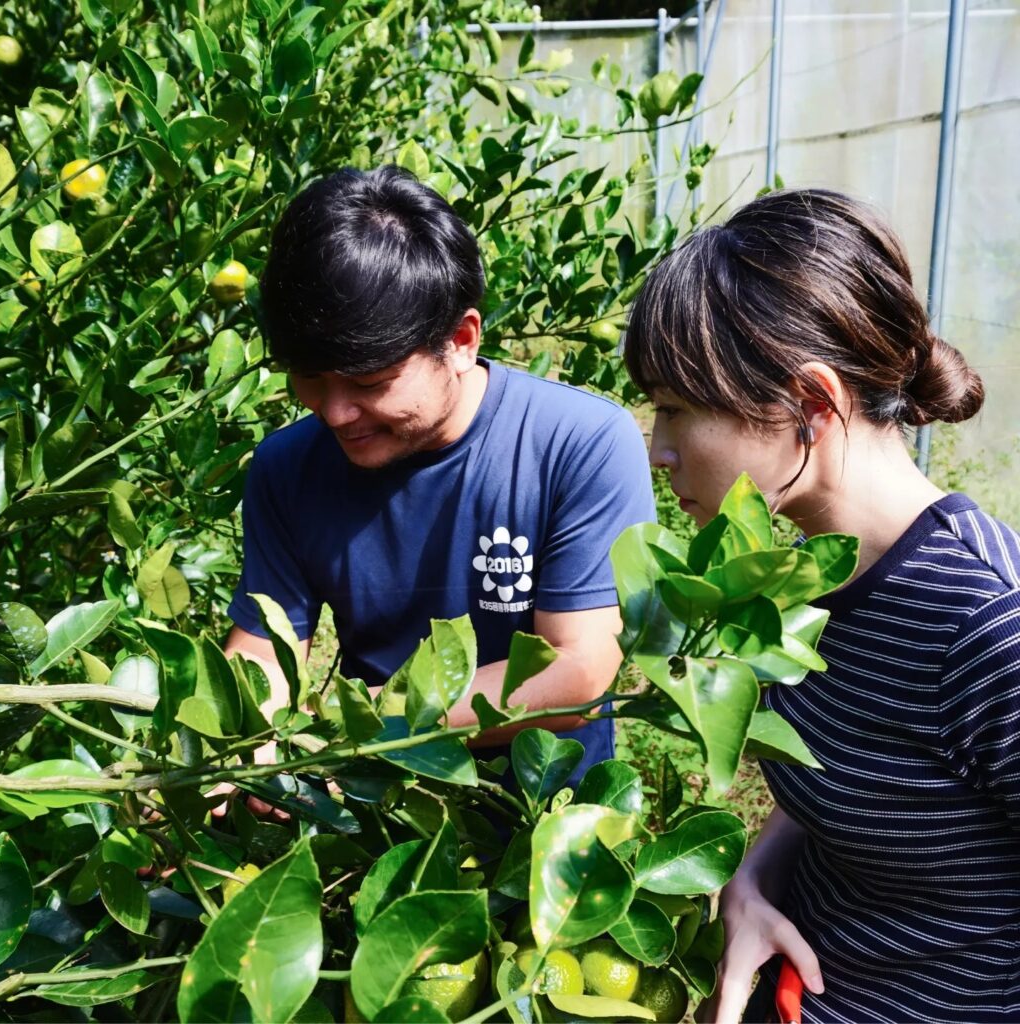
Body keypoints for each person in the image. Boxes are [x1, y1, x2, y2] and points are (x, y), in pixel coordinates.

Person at [622, 188, 1020, 1023]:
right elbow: (863, 795)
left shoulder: (986, 627)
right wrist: (754, 882)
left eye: (676, 407)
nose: (657, 450)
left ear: (808, 404)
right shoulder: (814, 578)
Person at [224, 165, 655, 785]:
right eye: (310, 379)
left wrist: (361, 724)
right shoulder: (287, 467)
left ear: (460, 340)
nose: (336, 412)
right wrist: (247, 742)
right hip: (374, 802)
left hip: (541, 815)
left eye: (371, 383)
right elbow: (263, 649)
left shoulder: (577, 444)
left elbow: (579, 668)